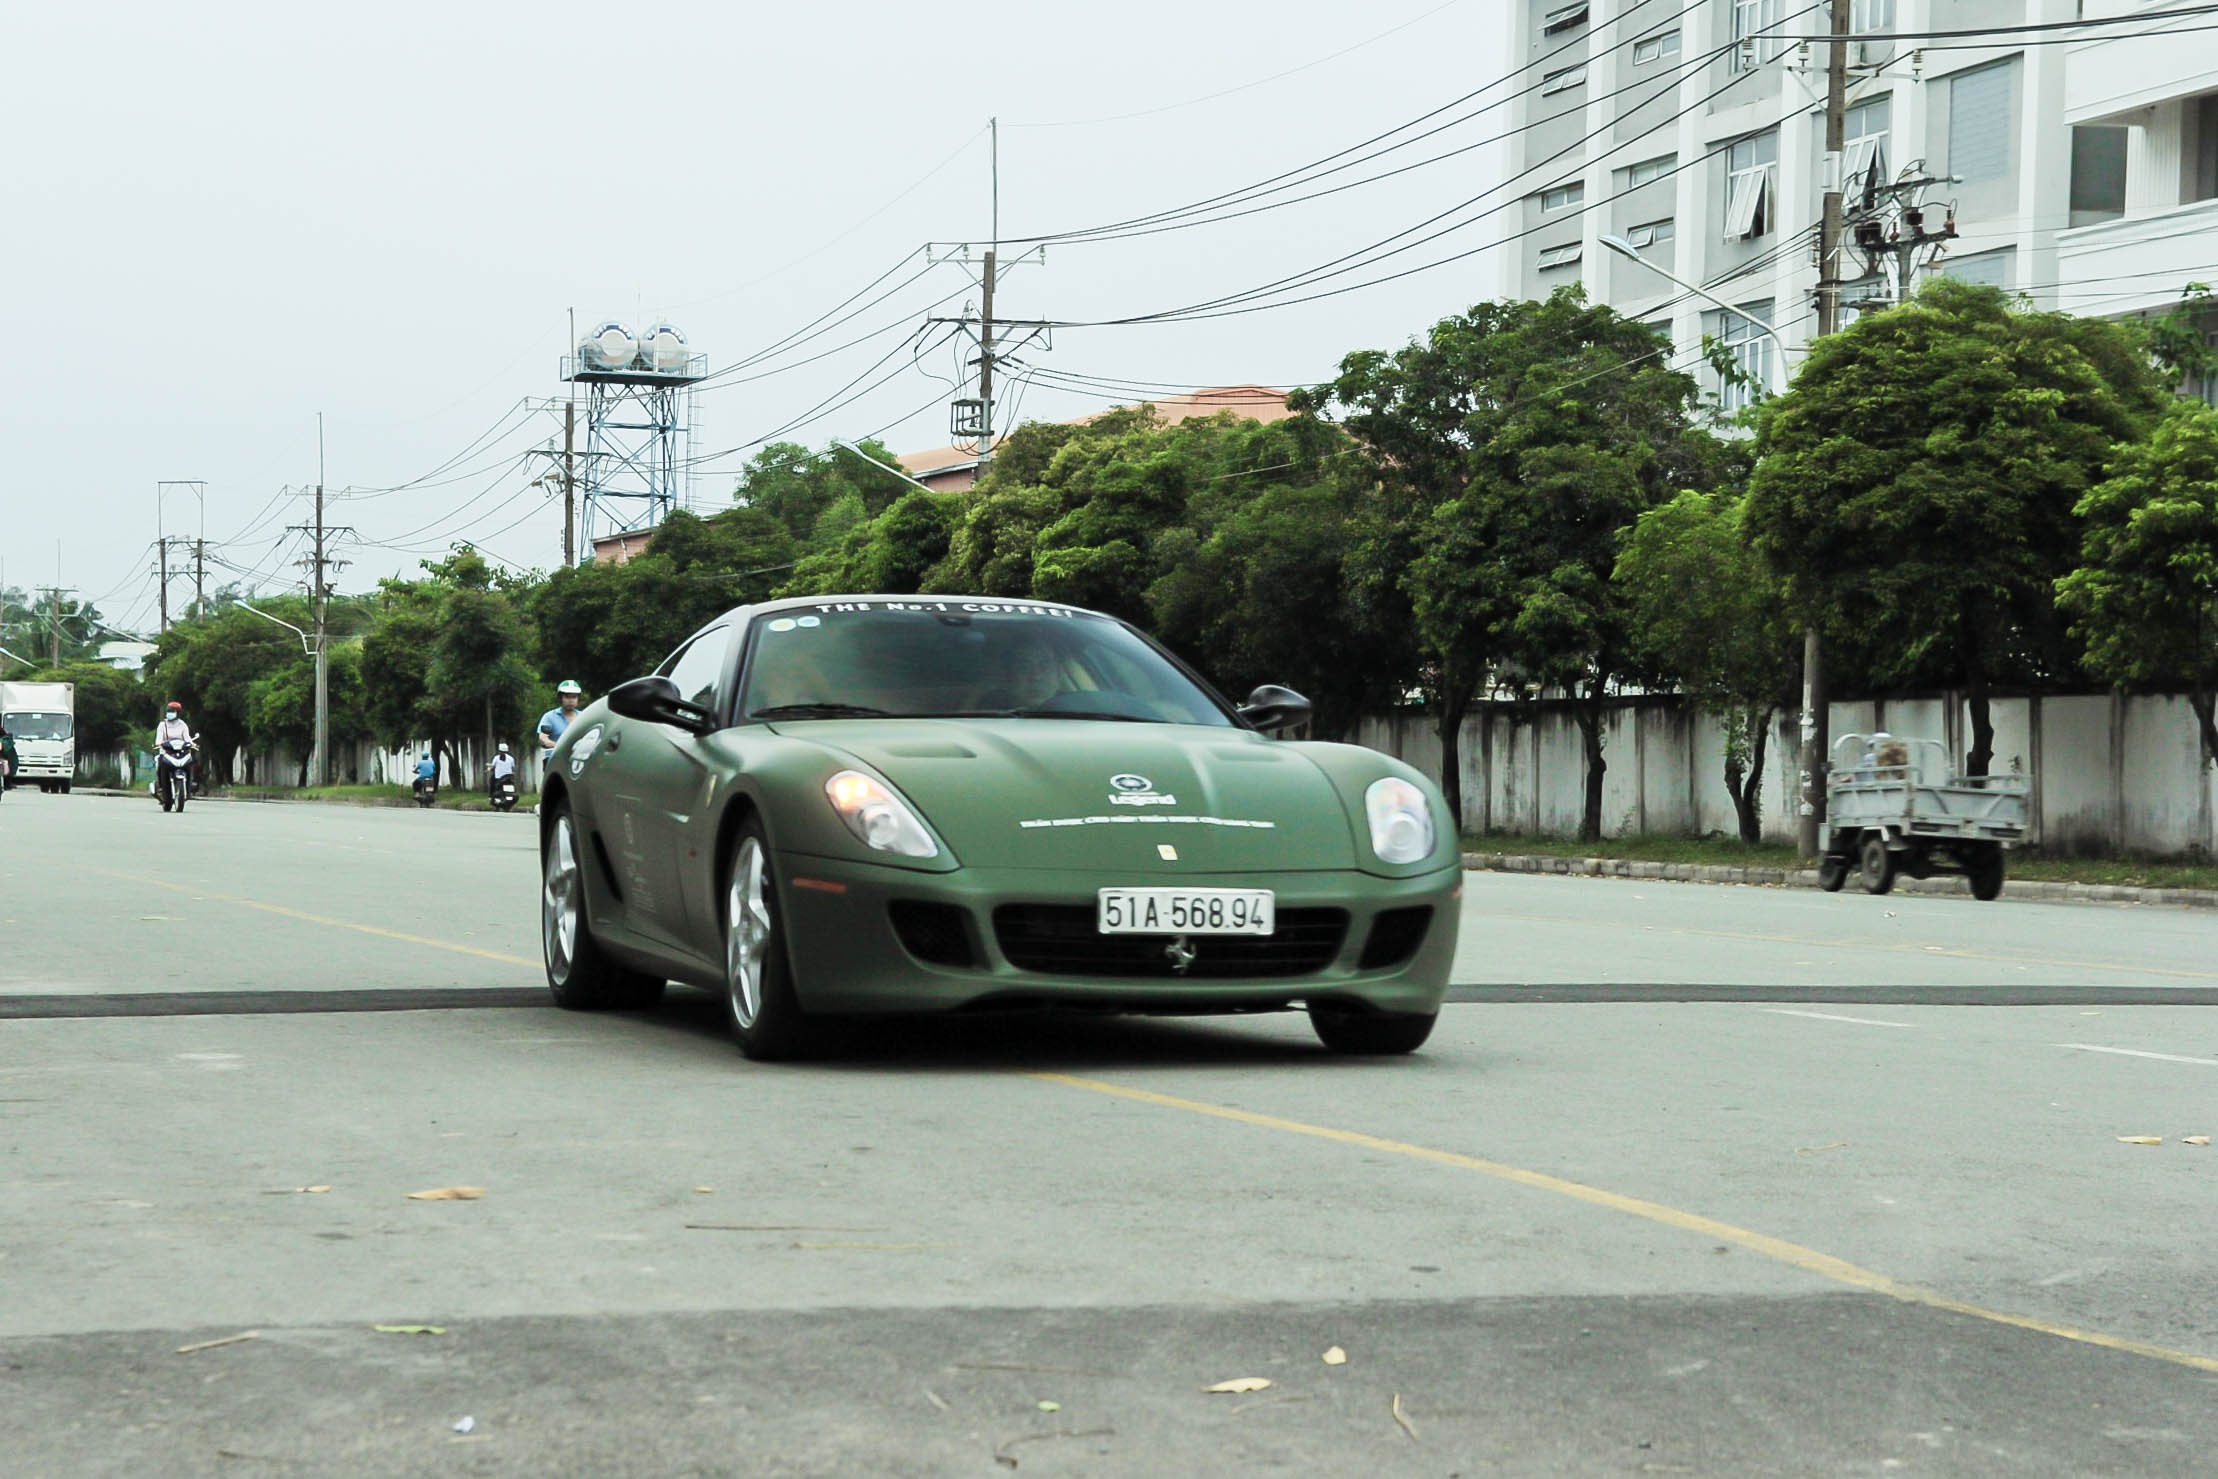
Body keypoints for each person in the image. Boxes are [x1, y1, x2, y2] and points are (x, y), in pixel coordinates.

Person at [537, 680, 584, 768]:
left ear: (578, 699)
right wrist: (559, 746)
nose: (571, 700)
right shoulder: (549, 716)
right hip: (555, 758)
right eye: (567, 697)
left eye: (574, 697)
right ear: (560, 698)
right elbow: (543, 738)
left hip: (579, 759)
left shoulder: (584, 716)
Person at [154, 701, 195, 797]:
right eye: (168, 711)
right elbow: (159, 739)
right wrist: (159, 744)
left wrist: (192, 744)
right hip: (166, 753)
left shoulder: (182, 725)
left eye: (172, 711)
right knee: (161, 764)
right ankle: (161, 787)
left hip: (181, 753)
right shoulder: (162, 725)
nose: (170, 713)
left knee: (189, 763)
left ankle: (188, 788)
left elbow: (187, 738)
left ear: (178, 713)